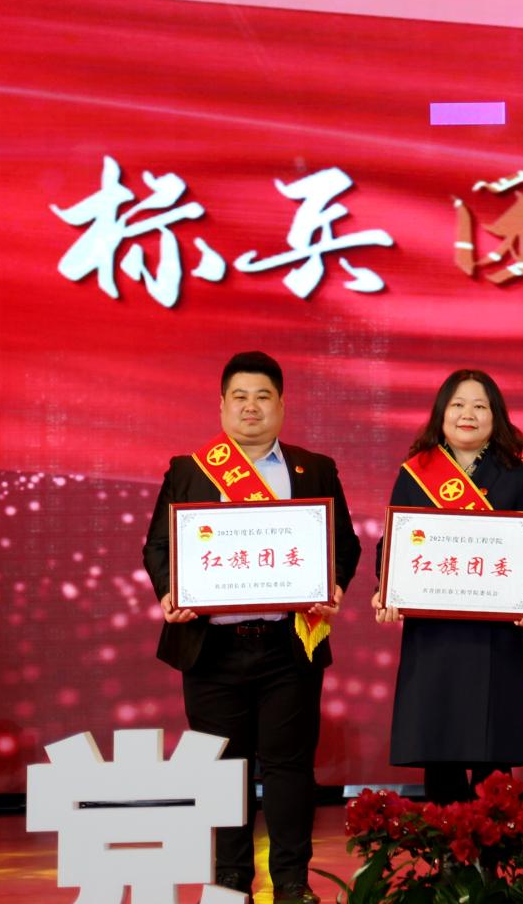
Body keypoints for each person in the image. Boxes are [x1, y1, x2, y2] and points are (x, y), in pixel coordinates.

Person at [141, 351, 359, 904]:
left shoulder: (314, 469)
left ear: (282, 405)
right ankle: (232, 876)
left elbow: (346, 545)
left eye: (263, 397)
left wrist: (333, 585)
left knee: (289, 768)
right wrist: (169, 592)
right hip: (211, 646)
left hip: (288, 644)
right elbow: (159, 546)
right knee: (222, 769)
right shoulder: (189, 470)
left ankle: (291, 880)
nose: (251, 407)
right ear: (221, 405)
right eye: (239, 397)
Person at [371, 369, 523, 803]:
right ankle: (444, 842)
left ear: (495, 416)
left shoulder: (518, 476)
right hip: (436, 634)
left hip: (497, 635)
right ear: (441, 413)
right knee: (441, 747)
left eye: (479, 406)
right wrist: (387, 589)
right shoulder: (416, 473)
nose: (467, 414)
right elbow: (392, 543)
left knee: (494, 761)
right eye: (457, 405)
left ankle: (494, 842)